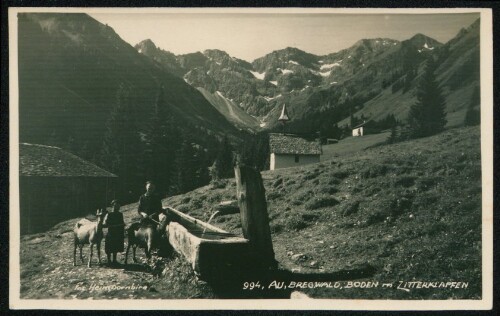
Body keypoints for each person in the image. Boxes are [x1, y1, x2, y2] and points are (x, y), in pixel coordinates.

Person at [103, 199, 125, 266]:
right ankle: (109, 261)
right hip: (111, 233)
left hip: (118, 233)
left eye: (118, 206)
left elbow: (122, 222)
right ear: (112, 206)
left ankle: (114, 260)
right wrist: (114, 225)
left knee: (116, 247)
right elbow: (105, 224)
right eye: (115, 206)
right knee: (109, 248)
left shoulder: (120, 214)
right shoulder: (109, 214)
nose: (117, 207)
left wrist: (123, 225)